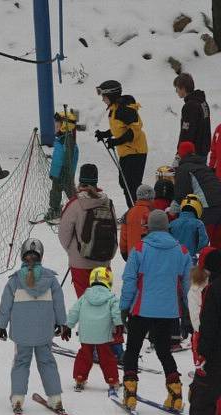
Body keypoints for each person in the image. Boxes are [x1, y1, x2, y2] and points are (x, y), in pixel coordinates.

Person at [120, 210, 192, 411]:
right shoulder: (182, 251)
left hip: (142, 309)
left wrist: (124, 308)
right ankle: (175, 393)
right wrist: (188, 312)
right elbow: (188, 285)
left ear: (148, 227)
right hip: (168, 311)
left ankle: (130, 393)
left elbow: (130, 282)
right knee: (164, 351)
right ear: (168, 227)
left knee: (133, 349)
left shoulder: (140, 249)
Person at [0, 238, 69, 415]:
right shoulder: (50, 280)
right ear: (40, 256)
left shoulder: (14, 281)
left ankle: (18, 399)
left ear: (22, 256)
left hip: (22, 332)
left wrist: (1, 325)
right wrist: (62, 323)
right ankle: (55, 398)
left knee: (21, 363)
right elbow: (59, 303)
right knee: (47, 362)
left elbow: (5, 305)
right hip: (44, 331)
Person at [59, 163, 118, 297]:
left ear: (80, 181)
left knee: (85, 305)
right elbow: (114, 231)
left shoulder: (75, 203)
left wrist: (72, 251)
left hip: (80, 264)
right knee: (102, 303)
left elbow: (63, 234)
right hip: (104, 262)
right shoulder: (107, 203)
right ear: (96, 181)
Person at [66, 267, 123, 391]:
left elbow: (74, 311)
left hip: (86, 334)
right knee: (107, 358)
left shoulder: (84, 297)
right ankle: (112, 380)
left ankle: (80, 378)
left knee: (84, 355)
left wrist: (68, 326)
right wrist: (119, 324)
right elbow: (117, 312)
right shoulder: (111, 298)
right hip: (103, 335)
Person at [94, 80, 148, 208]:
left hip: (136, 151)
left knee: (132, 184)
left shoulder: (125, 110)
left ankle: (138, 211)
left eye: (104, 96)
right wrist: (105, 134)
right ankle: (133, 210)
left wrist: (116, 141)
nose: (102, 100)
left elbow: (134, 131)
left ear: (111, 95)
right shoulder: (115, 109)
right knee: (124, 182)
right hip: (127, 151)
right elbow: (119, 129)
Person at [189, 249, 221, 415]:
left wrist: (203, 354)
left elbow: (208, 325)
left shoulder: (212, 290)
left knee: (200, 402)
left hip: (216, 356)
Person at [174, 141, 221, 248]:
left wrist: (170, 212)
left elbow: (180, 196)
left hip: (208, 208)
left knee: (201, 244)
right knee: (217, 245)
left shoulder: (183, 169)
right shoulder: (203, 167)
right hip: (218, 204)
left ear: (180, 154)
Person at [45, 109, 78, 222]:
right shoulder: (60, 140)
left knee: (70, 192)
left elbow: (69, 157)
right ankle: (55, 209)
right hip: (57, 173)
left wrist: (66, 170)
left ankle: (79, 209)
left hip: (65, 172)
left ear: (64, 126)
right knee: (55, 191)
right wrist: (54, 172)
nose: (55, 127)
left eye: (58, 125)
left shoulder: (68, 140)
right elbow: (58, 157)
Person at [174, 73, 211, 158]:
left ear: (183, 88)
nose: (176, 91)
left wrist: (179, 154)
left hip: (192, 153)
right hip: (203, 150)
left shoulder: (190, 106)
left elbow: (186, 132)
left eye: (176, 88)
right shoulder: (203, 102)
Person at [169, 194, 209, 264]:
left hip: (173, 261)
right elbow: (203, 244)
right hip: (190, 261)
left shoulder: (172, 224)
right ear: (198, 208)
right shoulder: (198, 224)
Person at [119, 184, 154, 261]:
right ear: (151, 198)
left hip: (132, 257)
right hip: (150, 257)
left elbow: (123, 239)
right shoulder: (153, 214)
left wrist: (125, 254)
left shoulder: (128, 213)